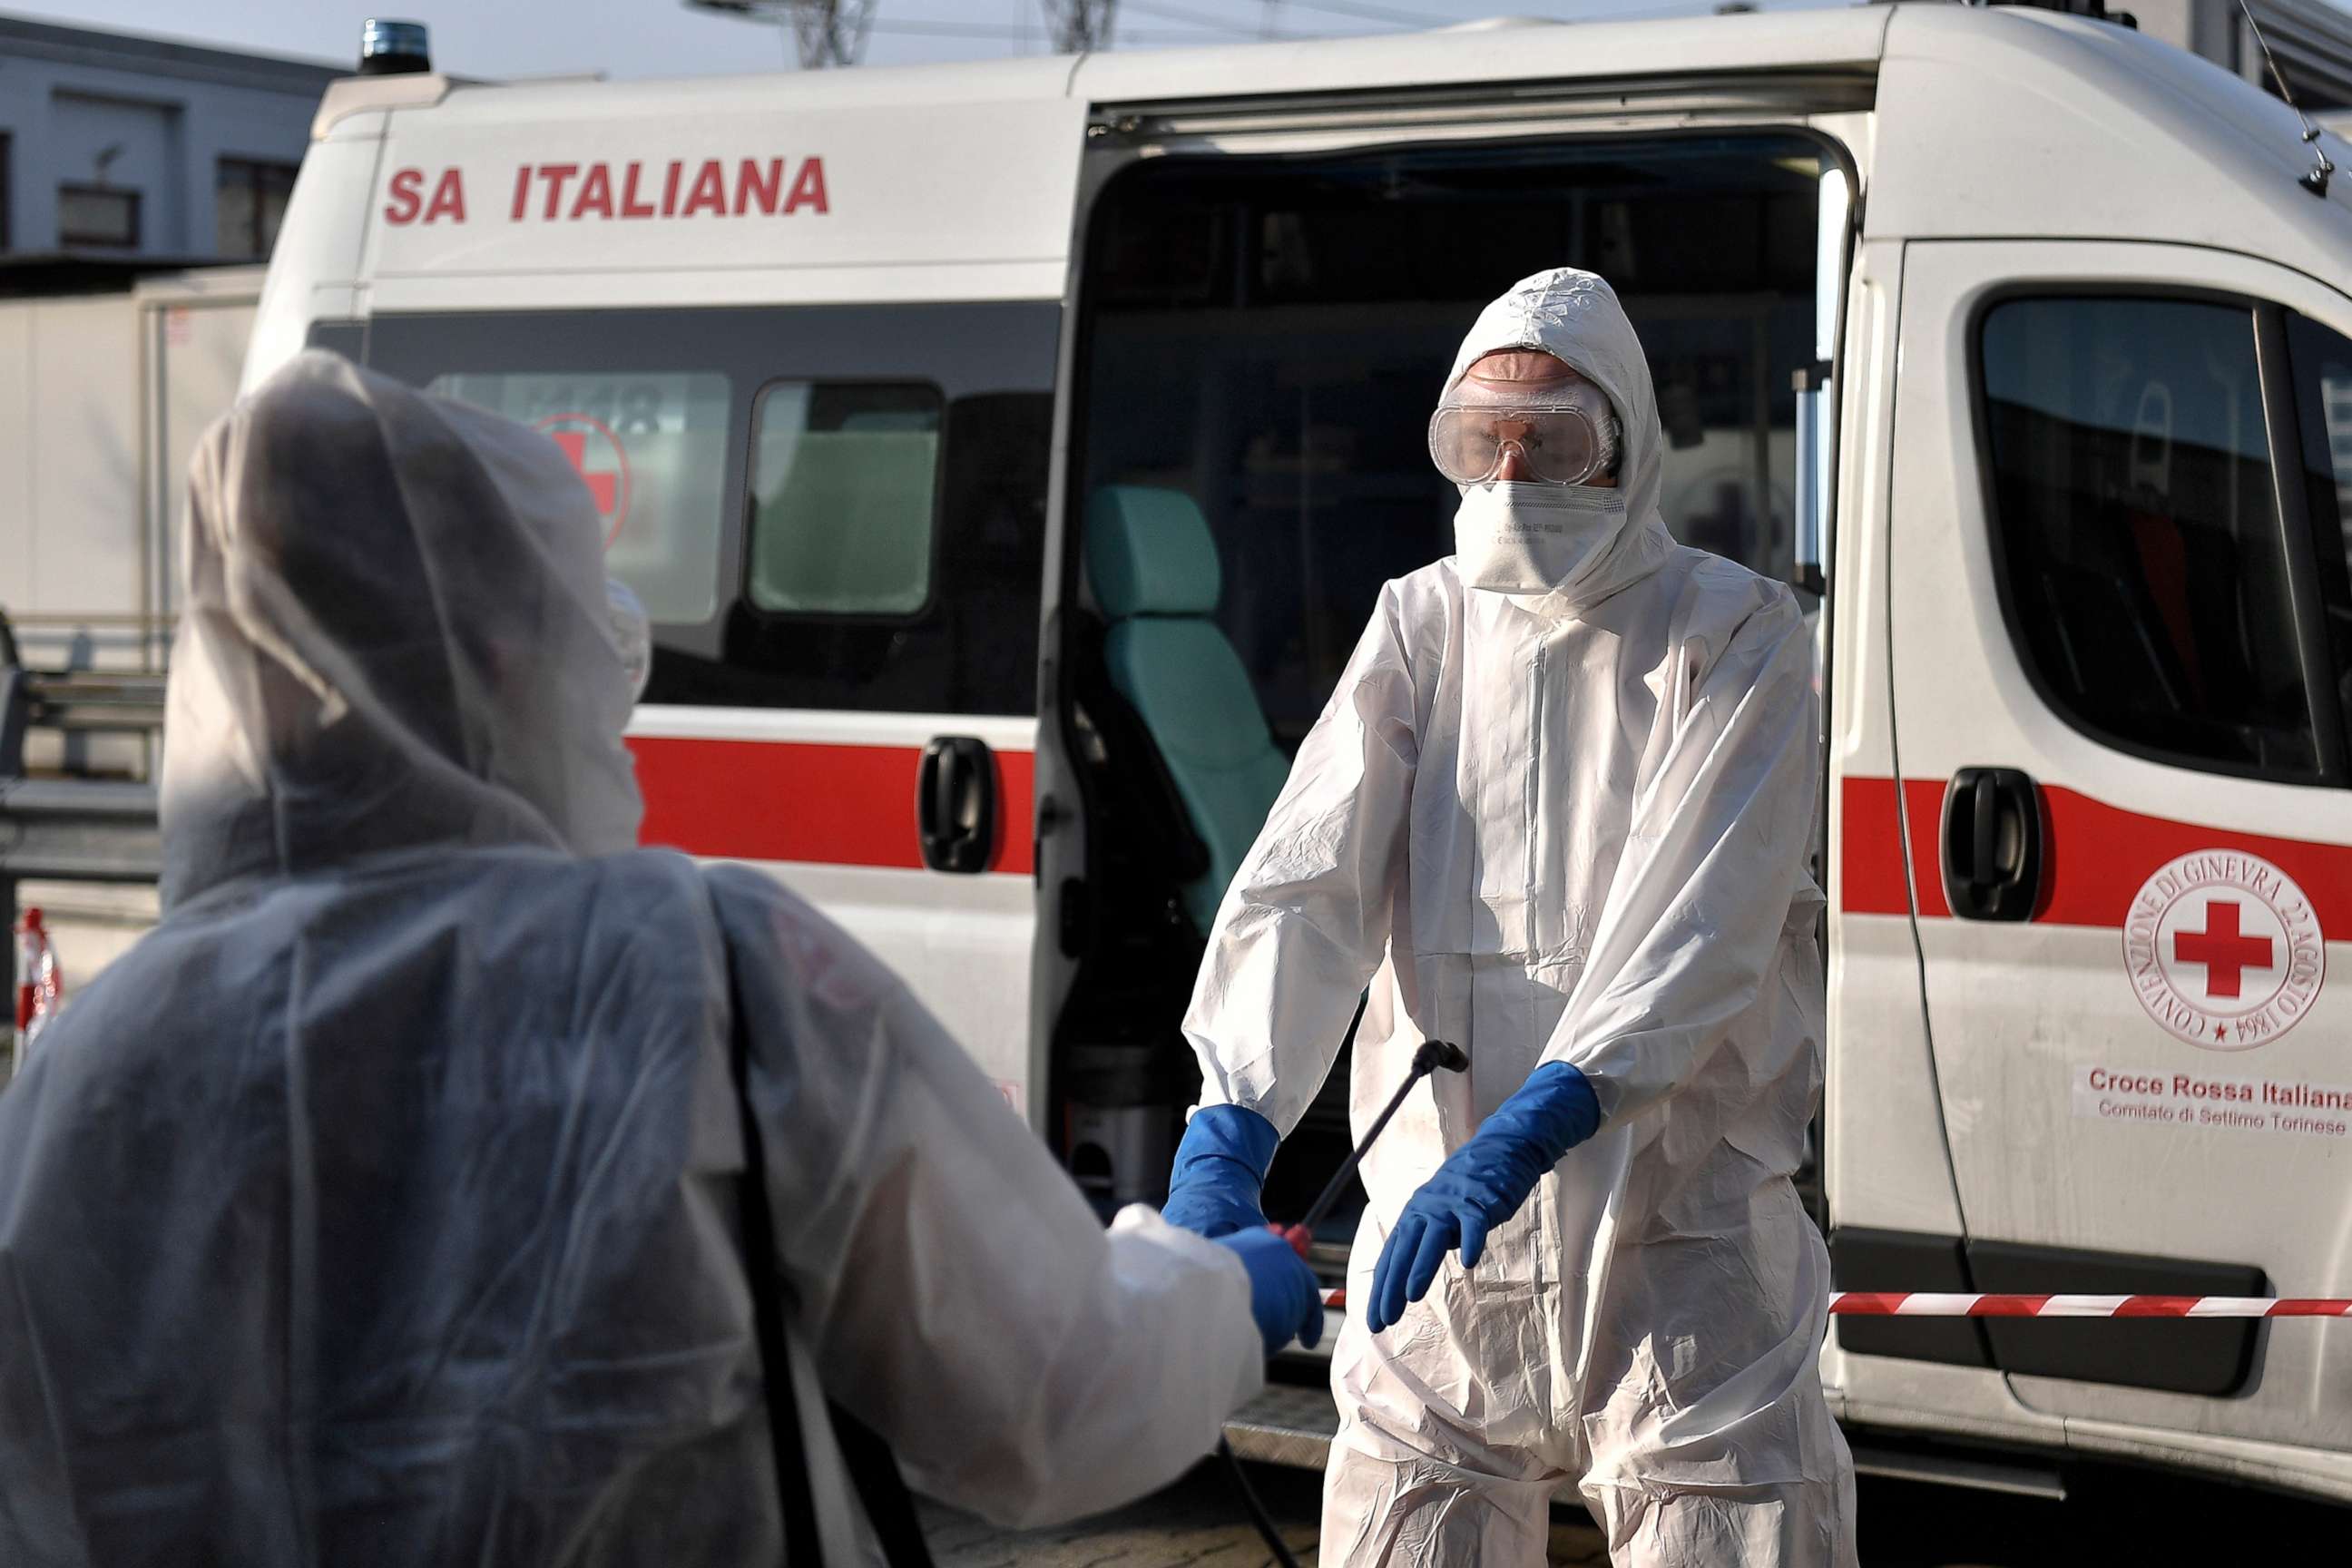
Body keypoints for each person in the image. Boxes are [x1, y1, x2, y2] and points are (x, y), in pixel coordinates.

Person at [0, 351, 1321, 1566]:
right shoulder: (703, 974)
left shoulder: (75, 1082)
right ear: (520, 650)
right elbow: (1048, 1400)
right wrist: (1224, 1296)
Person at [1161, 269, 1857, 1566]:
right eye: (1486, 439)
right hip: (1442, 1257)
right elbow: (1305, 886)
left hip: (1677, 1247)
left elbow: (1696, 923)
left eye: (1560, 442)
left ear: (1632, 449)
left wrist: (1541, 1119)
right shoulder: (1422, 622)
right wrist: (1229, 1124)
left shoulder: (1737, 632)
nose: (1517, 469)